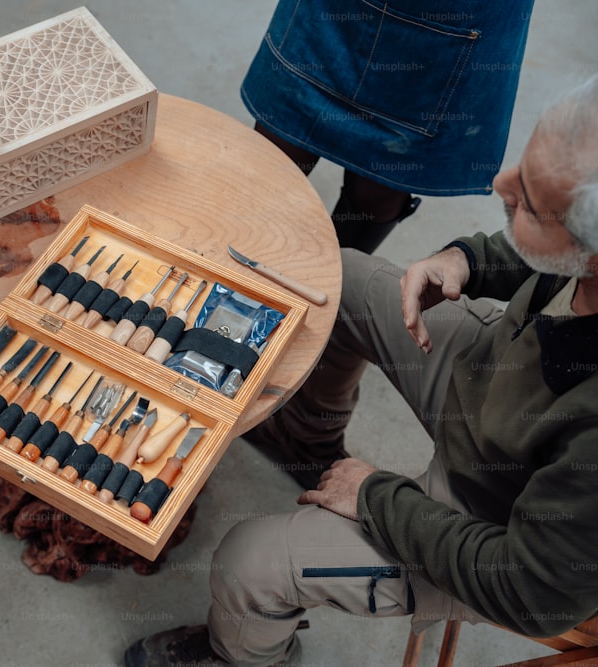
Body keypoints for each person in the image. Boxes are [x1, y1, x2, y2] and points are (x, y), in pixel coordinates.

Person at [124, 73, 598, 666]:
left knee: (249, 563)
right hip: (497, 375)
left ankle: (241, 657)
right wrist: (468, 258)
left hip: (493, 528)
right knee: (338, 281)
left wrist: (376, 497)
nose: (498, 185)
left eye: (527, 201)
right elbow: (552, 246)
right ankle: (303, 437)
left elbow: (532, 593)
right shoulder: (581, 255)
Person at [241, 0, 534, 253]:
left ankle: (330, 286)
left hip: (455, 19)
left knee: (381, 182)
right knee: (278, 148)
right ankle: (231, 267)